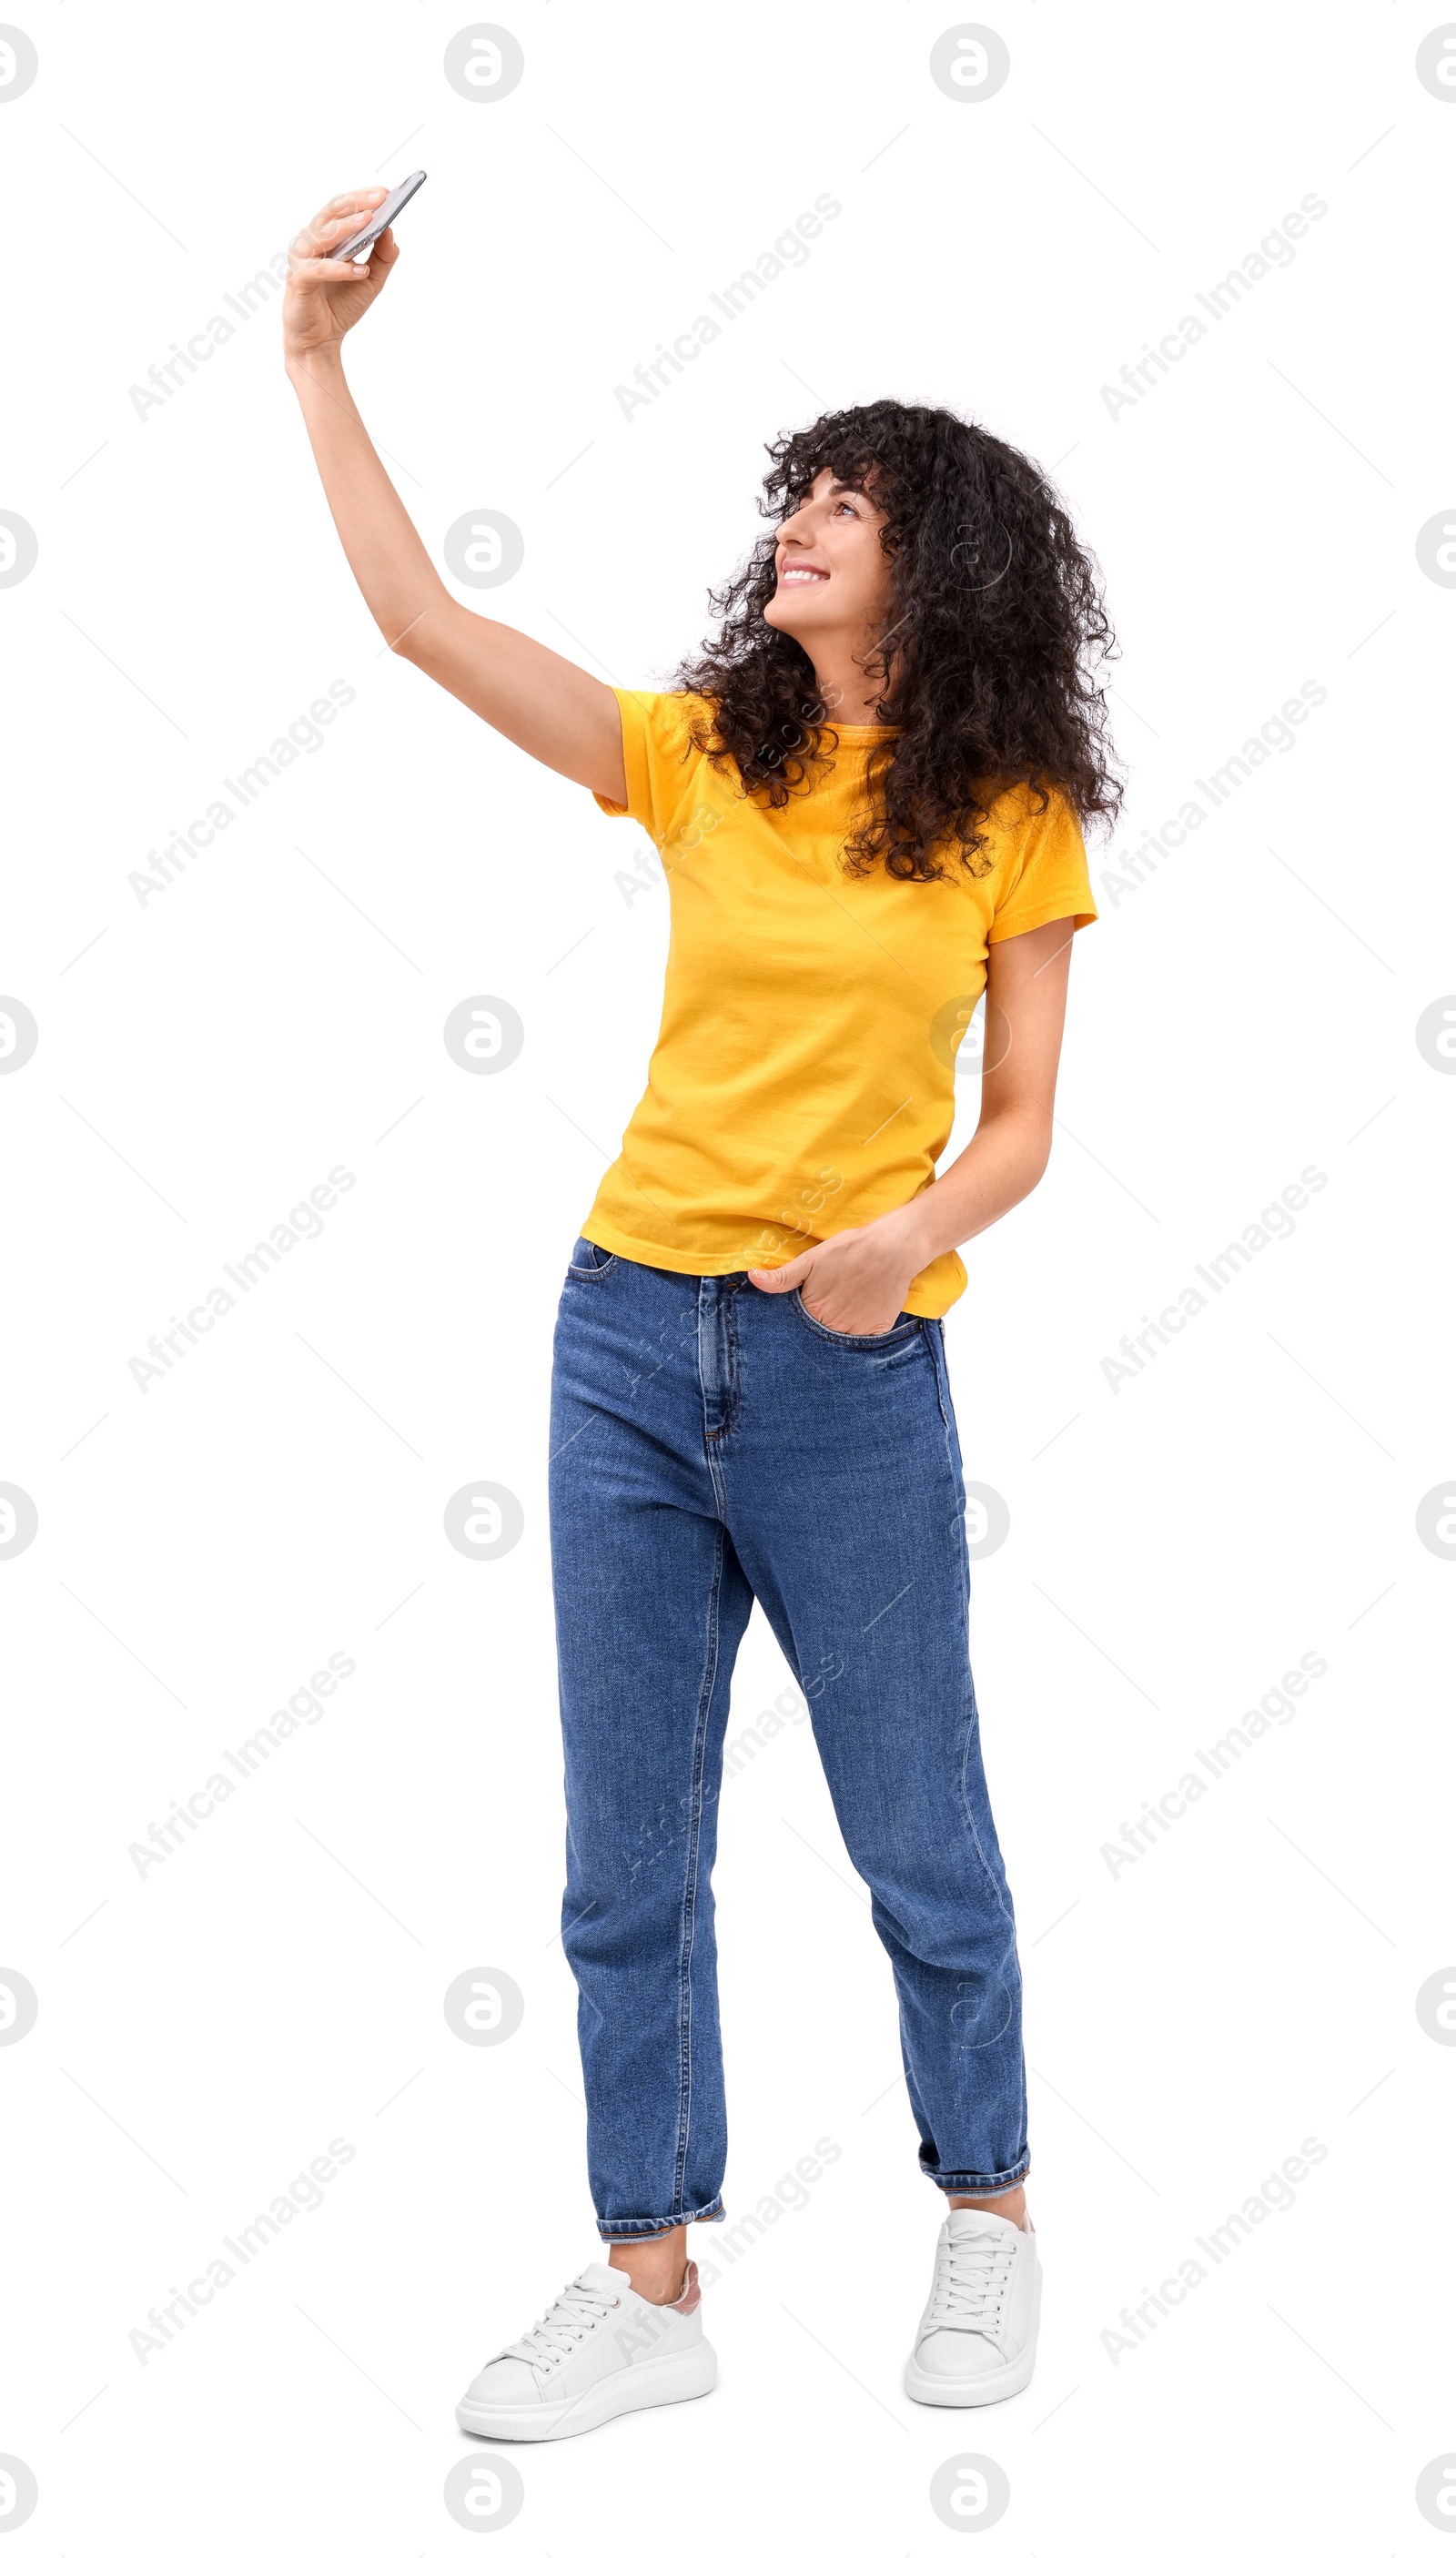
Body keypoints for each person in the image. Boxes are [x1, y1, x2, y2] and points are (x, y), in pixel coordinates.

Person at [283, 186, 1120, 2442]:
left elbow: (1026, 1118)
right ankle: (648, 2276)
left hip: (852, 1363)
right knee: (620, 1847)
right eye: (793, 500)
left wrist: (896, 1239)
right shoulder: (700, 754)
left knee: (913, 1821)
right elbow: (422, 620)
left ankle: (986, 2212)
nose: (798, 529)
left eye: (841, 507)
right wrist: (315, 358)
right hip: (625, 1344)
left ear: (933, 562)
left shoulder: (1006, 809)